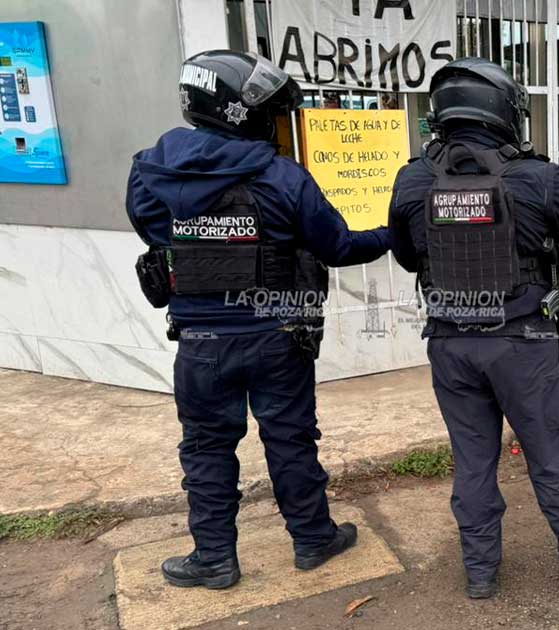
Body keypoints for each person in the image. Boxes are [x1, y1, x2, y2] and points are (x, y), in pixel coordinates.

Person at [126, 50, 391, 589]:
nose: (274, 122)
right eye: (268, 112)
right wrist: (395, 235)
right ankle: (314, 540)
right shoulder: (281, 175)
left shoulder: (150, 169)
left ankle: (215, 558)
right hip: (278, 336)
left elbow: (153, 232)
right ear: (236, 111)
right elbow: (337, 246)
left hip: (200, 340)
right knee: (290, 439)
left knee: (205, 447)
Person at [388, 58, 559, 599]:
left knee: (473, 459)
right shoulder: (535, 176)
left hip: (451, 344)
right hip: (521, 343)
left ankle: (480, 575)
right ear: (503, 110)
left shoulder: (413, 178)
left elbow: (407, 256)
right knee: (549, 456)